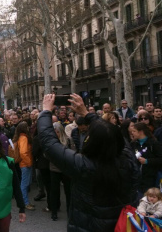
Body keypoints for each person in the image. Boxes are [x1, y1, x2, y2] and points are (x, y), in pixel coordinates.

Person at [38, 93, 140, 231]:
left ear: (93, 143)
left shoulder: (84, 166)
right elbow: (110, 133)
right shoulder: (128, 158)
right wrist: (86, 113)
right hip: (122, 224)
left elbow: (49, 143)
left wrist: (45, 112)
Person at [130, 122, 162, 196]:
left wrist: (147, 161)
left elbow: (160, 159)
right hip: (137, 178)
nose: (132, 133)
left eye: (134, 131)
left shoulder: (154, 143)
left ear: (141, 132)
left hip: (151, 178)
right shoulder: (133, 144)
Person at [13, 121, 34, 211]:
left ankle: (24, 201)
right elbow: (23, 152)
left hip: (24, 163)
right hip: (25, 164)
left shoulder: (20, 137)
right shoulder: (24, 138)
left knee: (25, 183)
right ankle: (25, 202)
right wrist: (29, 162)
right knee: (24, 184)